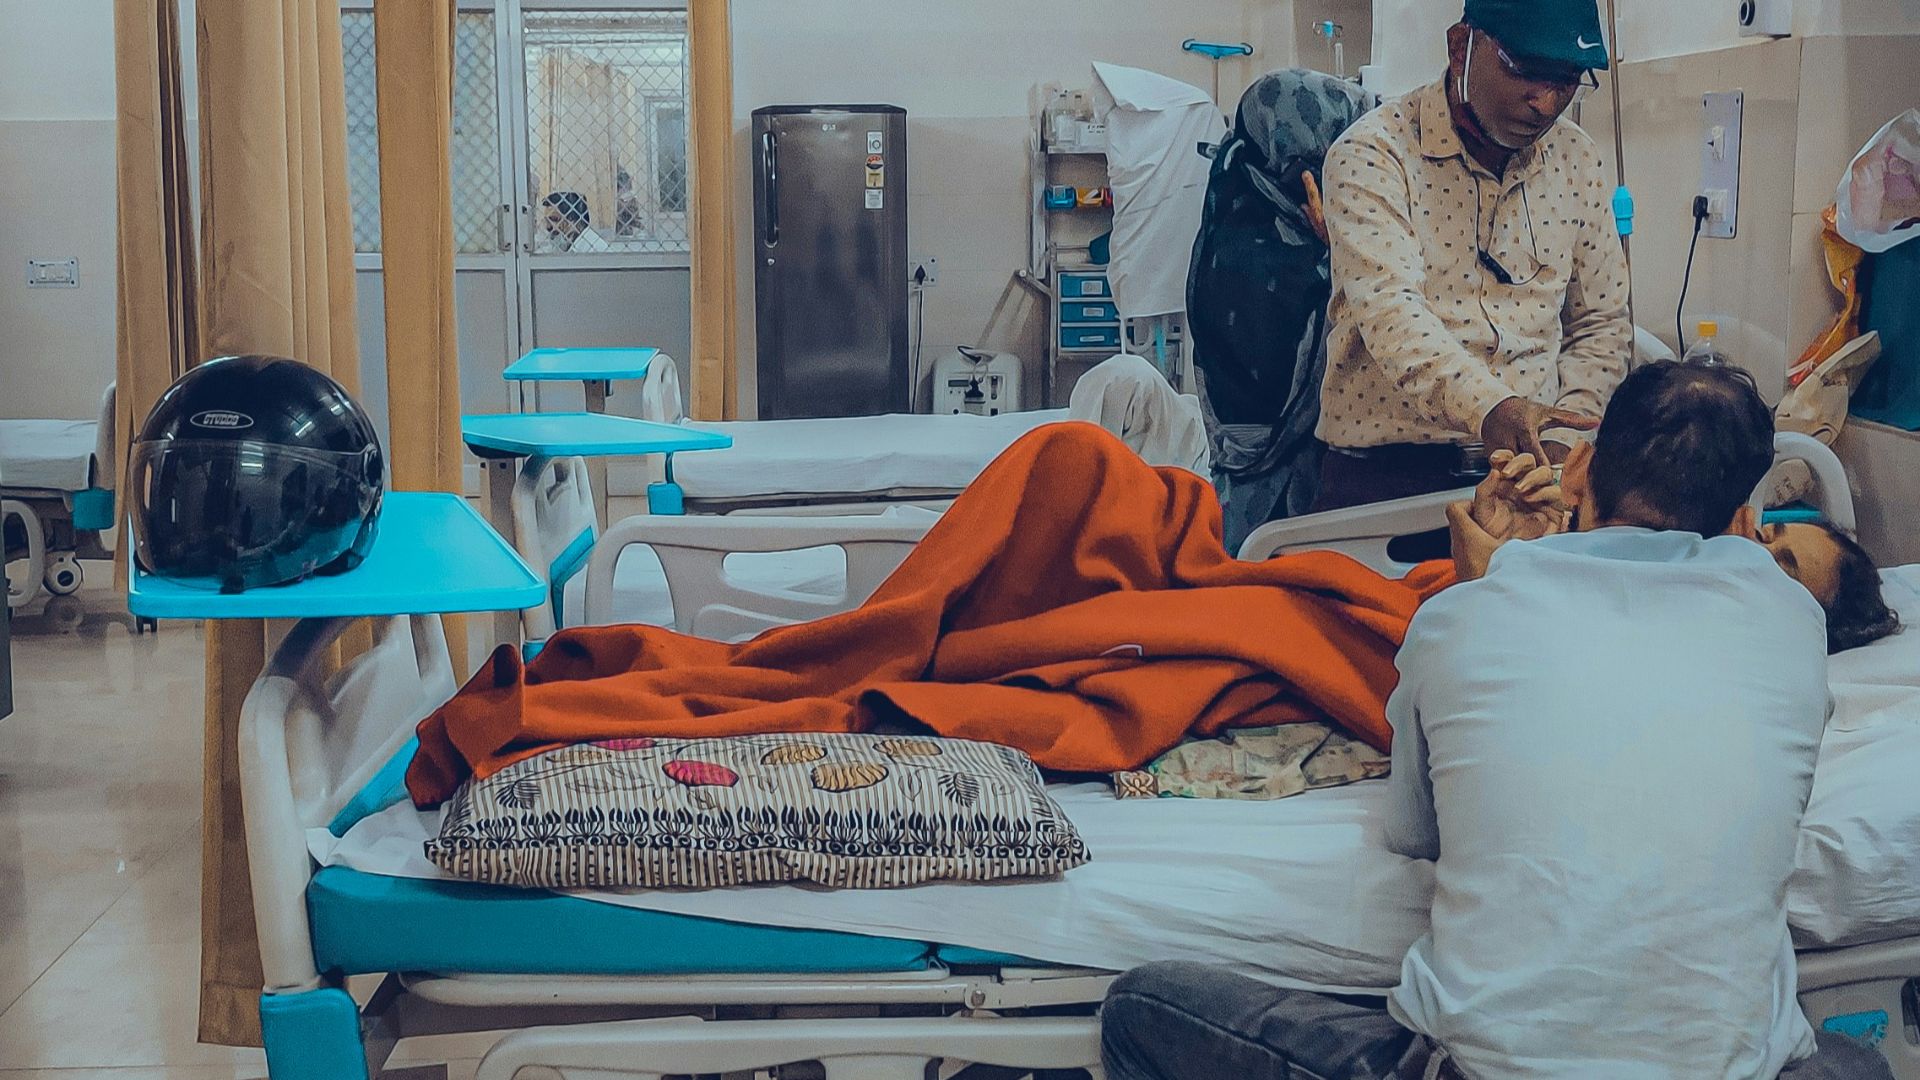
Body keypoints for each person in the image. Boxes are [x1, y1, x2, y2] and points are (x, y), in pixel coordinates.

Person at [1100, 361, 1899, 1079]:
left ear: (1580, 464)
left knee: (1143, 1006)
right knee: (1853, 1062)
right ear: (1740, 520)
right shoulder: (1791, 631)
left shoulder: (1463, 622)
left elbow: (1415, 832)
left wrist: (1487, 588)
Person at [1314, 0, 1632, 513]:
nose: (1547, 103)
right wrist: (1493, 409)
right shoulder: (1375, 154)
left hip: (1537, 477)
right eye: (1526, 72)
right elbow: (1391, 313)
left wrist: (1563, 437)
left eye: (1568, 80)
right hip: (1388, 478)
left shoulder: (1577, 161)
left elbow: (1601, 323)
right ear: (1461, 46)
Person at [1186, 69, 1372, 551]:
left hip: (1260, 490)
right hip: (1274, 494)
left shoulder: (1243, 210)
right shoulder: (1258, 256)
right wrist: (1341, 251)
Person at [539, 190, 610, 253]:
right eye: (547, 220)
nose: (548, 227)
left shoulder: (594, 249)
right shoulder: (567, 244)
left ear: (572, 219)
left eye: (554, 219)